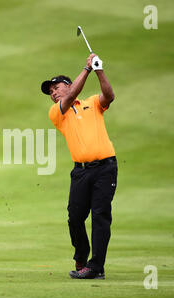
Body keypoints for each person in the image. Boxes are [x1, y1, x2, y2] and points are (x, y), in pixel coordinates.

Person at [41, 53, 118, 279]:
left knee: (100, 215)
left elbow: (109, 95)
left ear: (68, 85)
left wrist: (99, 69)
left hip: (105, 169)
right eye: (50, 92)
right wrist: (87, 69)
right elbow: (74, 92)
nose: (53, 93)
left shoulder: (93, 103)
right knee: (75, 218)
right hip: (81, 172)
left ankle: (96, 267)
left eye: (56, 88)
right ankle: (82, 255)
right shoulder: (58, 112)